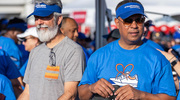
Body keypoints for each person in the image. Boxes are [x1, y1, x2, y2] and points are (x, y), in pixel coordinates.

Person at [78, 0, 176, 100]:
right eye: (128, 20)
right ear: (117, 22)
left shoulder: (157, 58)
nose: (134, 25)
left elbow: (170, 97)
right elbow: (82, 94)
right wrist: (91, 88)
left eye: (139, 20)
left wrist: (141, 95)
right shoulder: (99, 55)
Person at [18, 0, 85, 100]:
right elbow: (27, 92)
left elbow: (70, 94)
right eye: (36, 18)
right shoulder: (35, 52)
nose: (39, 22)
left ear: (58, 19)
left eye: (44, 17)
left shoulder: (73, 50)